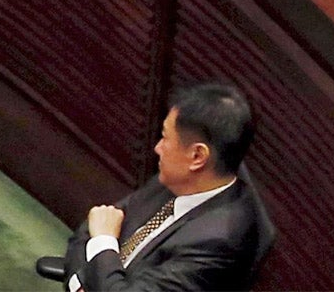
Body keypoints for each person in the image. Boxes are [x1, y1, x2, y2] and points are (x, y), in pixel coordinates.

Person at [57, 84, 271, 292]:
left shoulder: (218, 243)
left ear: (197, 156)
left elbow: (100, 232)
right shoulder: (175, 181)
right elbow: (89, 229)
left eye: (165, 137)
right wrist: (79, 284)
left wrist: (103, 241)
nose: (157, 148)